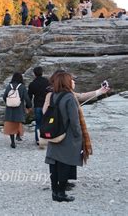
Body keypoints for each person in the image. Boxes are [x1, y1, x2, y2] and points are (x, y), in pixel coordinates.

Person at [44, 72, 88, 202]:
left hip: (54, 133)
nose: (73, 81)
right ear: (66, 82)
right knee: (65, 163)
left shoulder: (53, 95)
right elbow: (74, 122)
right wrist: (79, 136)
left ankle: (54, 192)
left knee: (54, 163)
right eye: (71, 80)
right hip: (67, 136)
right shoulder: (69, 97)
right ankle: (61, 193)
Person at [2, 72, 32, 148]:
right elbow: (26, 98)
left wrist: (8, 103)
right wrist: (29, 106)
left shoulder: (9, 86)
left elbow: (4, 96)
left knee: (11, 124)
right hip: (19, 108)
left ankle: (12, 142)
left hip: (10, 108)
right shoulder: (22, 87)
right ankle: (18, 135)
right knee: (18, 122)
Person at [28, 66, 50, 146]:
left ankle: (38, 140)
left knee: (38, 123)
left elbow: (29, 96)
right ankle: (47, 138)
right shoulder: (47, 82)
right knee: (47, 123)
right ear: (42, 72)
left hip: (37, 105)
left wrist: (28, 106)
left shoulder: (32, 84)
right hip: (46, 105)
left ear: (34, 74)